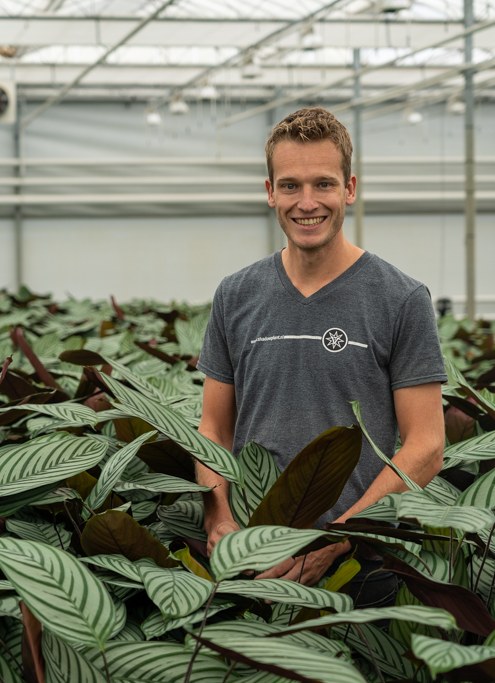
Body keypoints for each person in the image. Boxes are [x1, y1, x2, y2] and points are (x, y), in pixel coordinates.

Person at [194, 107, 447, 605]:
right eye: (290, 186)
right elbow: (213, 428)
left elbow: (427, 446)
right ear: (269, 192)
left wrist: (337, 539)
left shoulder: (400, 299)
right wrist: (218, 514)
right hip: (249, 559)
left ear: (349, 188)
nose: (306, 202)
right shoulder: (235, 294)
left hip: (356, 570)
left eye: (323, 185)